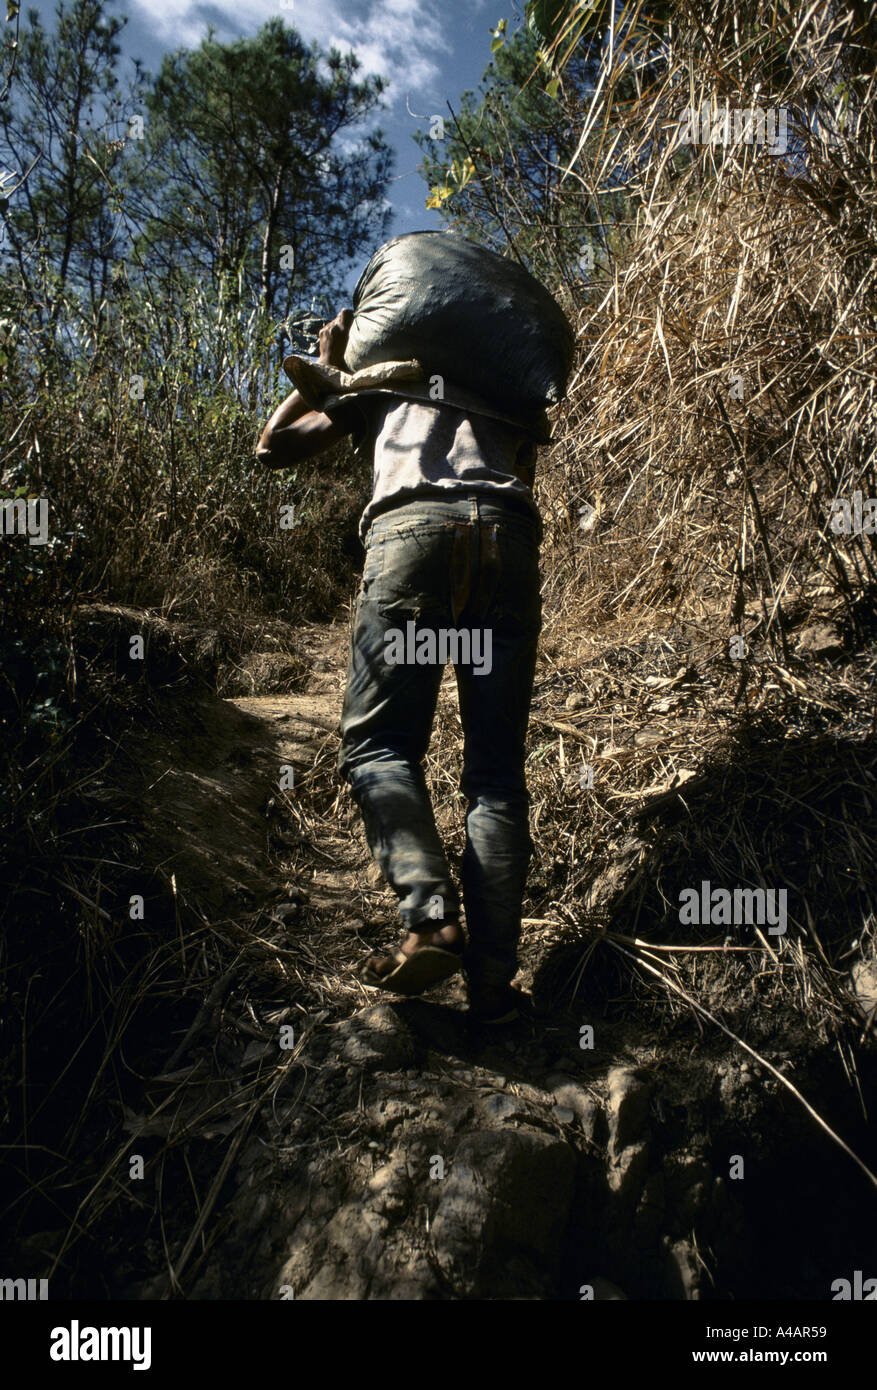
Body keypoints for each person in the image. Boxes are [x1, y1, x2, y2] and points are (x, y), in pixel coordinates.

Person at [257, 307, 546, 1024]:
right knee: (496, 773)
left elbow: (271, 447)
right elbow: (522, 465)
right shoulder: (507, 386)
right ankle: (492, 985)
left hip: (410, 539)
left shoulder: (384, 382)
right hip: (507, 543)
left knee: (380, 745)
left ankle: (429, 920)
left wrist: (325, 370)